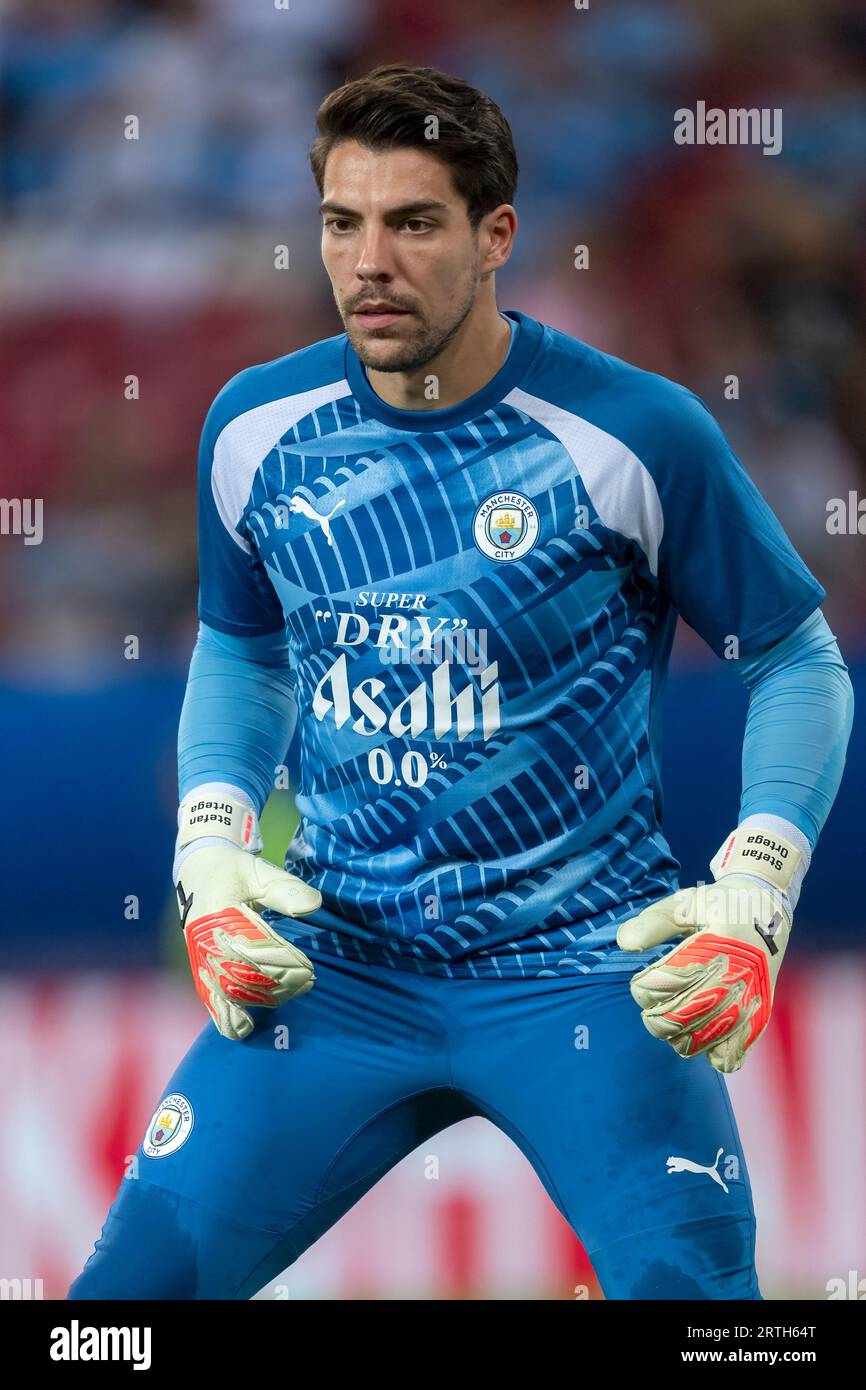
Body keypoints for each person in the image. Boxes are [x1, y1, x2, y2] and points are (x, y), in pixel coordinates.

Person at [70, 64, 853, 1301]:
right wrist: (209, 844)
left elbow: (795, 659)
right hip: (342, 968)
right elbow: (244, 644)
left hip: (586, 974)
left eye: (412, 222)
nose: (368, 261)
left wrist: (758, 877)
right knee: (114, 1318)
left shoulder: (633, 434)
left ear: (495, 235)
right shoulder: (254, 427)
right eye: (342, 222)